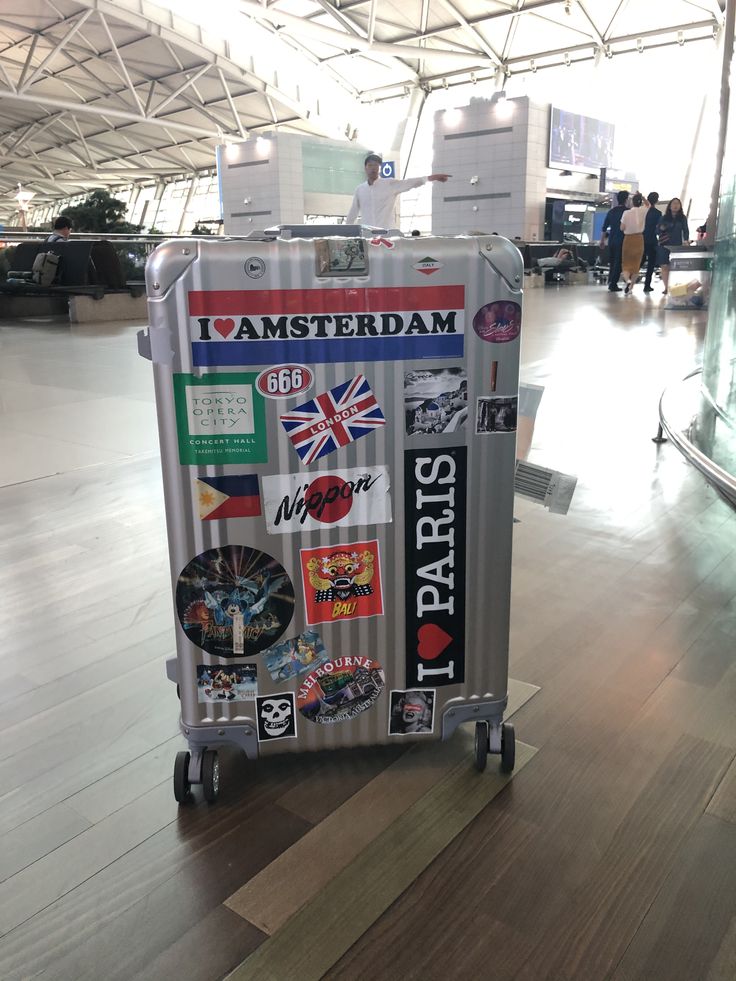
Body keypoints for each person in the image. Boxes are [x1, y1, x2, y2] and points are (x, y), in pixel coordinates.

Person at [346, 153, 451, 229]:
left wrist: (432, 177)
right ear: (365, 168)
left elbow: (410, 183)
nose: (373, 168)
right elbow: (352, 213)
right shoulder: (360, 190)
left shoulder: (390, 184)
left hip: (387, 236)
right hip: (367, 237)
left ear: (380, 168)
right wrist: (345, 235)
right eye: (370, 165)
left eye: (376, 165)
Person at [657, 198, 690, 295]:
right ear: (670, 206)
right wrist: (662, 228)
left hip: (677, 244)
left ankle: (674, 286)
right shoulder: (664, 217)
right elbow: (657, 230)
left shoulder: (682, 218)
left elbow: (685, 230)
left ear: (680, 206)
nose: (675, 205)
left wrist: (686, 240)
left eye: (677, 204)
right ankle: (666, 287)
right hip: (664, 244)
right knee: (664, 265)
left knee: (675, 265)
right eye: (674, 204)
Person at [620, 191, 649, 294]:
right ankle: (631, 287)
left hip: (628, 239)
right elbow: (648, 204)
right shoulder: (643, 211)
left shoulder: (626, 213)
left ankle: (627, 280)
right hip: (639, 239)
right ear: (640, 202)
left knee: (626, 264)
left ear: (632, 202)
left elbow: (622, 227)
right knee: (636, 265)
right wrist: (642, 196)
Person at [600, 190, 629, 292]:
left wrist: (602, 241)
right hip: (622, 240)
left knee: (612, 261)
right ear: (626, 199)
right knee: (619, 262)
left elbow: (604, 227)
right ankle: (613, 283)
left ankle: (611, 281)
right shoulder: (627, 212)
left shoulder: (611, 211)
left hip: (612, 240)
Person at [642, 192, 661, 292]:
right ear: (657, 201)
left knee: (639, 262)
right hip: (652, 240)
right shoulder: (658, 213)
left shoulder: (643, 212)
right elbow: (658, 228)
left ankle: (630, 282)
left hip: (641, 238)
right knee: (651, 263)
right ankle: (647, 285)